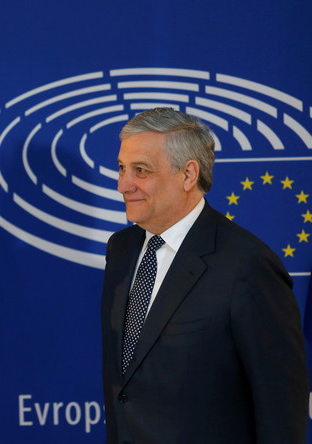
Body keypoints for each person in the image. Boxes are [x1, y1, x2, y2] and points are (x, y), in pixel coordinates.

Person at [100, 107, 308, 443]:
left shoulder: (247, 263)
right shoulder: (121, 249)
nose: (123, 184)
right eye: (122, 168)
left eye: (141, 170)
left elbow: (281, 407)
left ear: (188, 174)